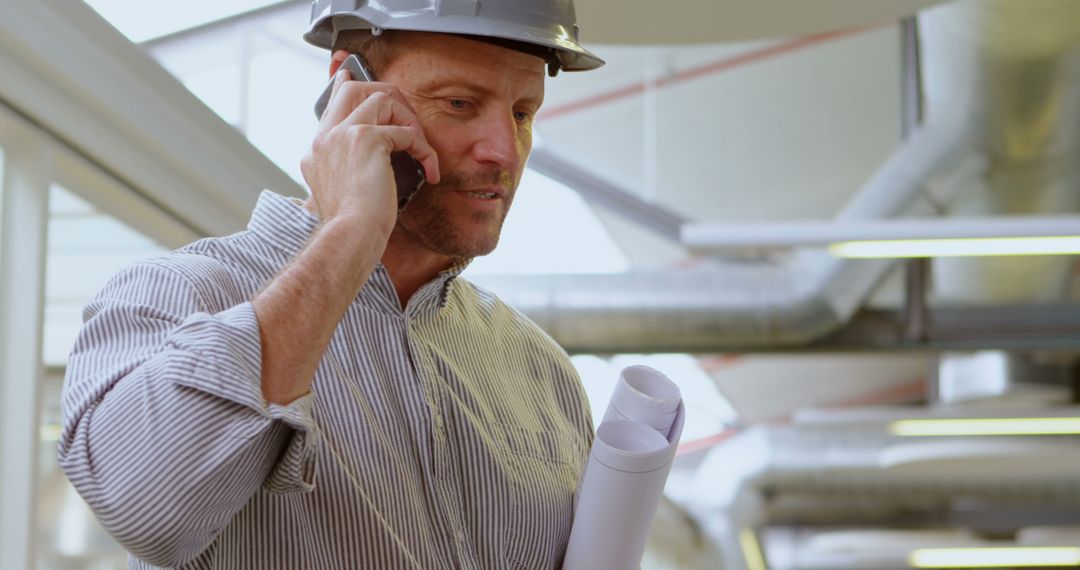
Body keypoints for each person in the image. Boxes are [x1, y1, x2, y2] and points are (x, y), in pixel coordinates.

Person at [58, 2, 605, 568]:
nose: (504, 151)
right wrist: (351, 233)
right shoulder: (173, 295)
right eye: (459, 104)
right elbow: (144, 511)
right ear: (350, 86)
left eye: (522, 113)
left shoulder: (543, 372)